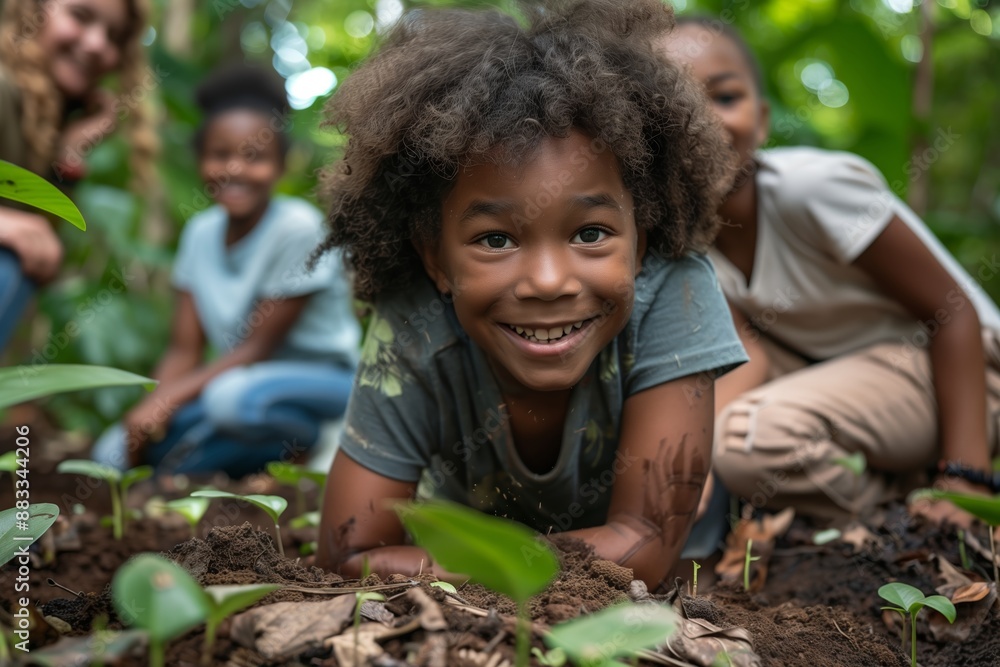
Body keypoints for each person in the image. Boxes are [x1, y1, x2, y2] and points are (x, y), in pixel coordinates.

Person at [313, 0, 748, 589]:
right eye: (495, 239)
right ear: (435, 259)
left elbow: (643, 548)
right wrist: (525, 568)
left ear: (641, 243)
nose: (547, 282)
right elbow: (347, 549)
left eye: (591, 233)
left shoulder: (675, 291)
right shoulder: (415, 321)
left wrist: (456, 566)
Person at [657, 18, 1000, 527]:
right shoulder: (688, 237)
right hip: (853, 381)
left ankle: (927, 515)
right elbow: (749, 351)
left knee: (752, 440)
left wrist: (966, 475)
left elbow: (953, 314)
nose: (706, 121)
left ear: (764, 119)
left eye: (725, 98)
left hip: (967, 371)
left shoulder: (813, 190)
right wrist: (692, 453)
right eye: (676, 107)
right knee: (716, 419)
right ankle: (899, 511)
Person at [90, 64, 361, 477]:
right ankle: (235, 461)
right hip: (245, 384)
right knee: (110, 453)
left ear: (281, 165)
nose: (235, 169)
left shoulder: (297, 227)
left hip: (325, 384)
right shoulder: (200, 233)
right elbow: (184, 351)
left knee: (228, 402)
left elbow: (255, 349)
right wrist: (147, 416)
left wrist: (163, 405)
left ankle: (317, 439)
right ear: (201, 161)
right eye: (220, 155)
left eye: (254, 157)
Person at [0, 0, 156, 351]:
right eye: (80, 16)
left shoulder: (38, 121)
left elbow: (39, 247)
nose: (97, 44)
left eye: (114, 37)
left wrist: (68, 155)